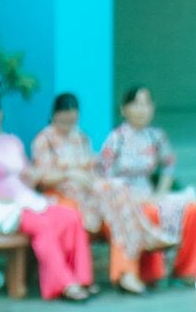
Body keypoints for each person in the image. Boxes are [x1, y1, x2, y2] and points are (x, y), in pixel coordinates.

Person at [31, 94, 162, 296]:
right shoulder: (44, 140)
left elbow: (94, 169)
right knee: (110, 204)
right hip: (60, 193)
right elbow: (42, 177)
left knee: (119, 204)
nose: (68, 125)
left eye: (72, 120)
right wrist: (69, 173)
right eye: (64, 120)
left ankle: (126, 272)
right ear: (55, 116)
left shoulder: (81, 138)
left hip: (88, 193)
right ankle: (146, 238)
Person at [0, 95, 94, 303]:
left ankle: (81, 279)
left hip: (26, 202)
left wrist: (33, 177)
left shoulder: (12, 142)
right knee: (42, 225)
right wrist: (5, 200)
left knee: (71, 216)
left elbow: (26, 175)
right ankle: (65, 284)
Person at [99, 87, 196, 288]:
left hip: (150, 195)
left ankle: (186, 270)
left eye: (146, 104)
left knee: (193, 209)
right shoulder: (116, 138)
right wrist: (131, 197)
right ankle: (137, 273)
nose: (142, 109)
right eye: (136, 104)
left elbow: (169, 165)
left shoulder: (156, 137)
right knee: (149, 213)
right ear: (123, 109)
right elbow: (104, 177)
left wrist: (161, 192)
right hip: (124, 201)